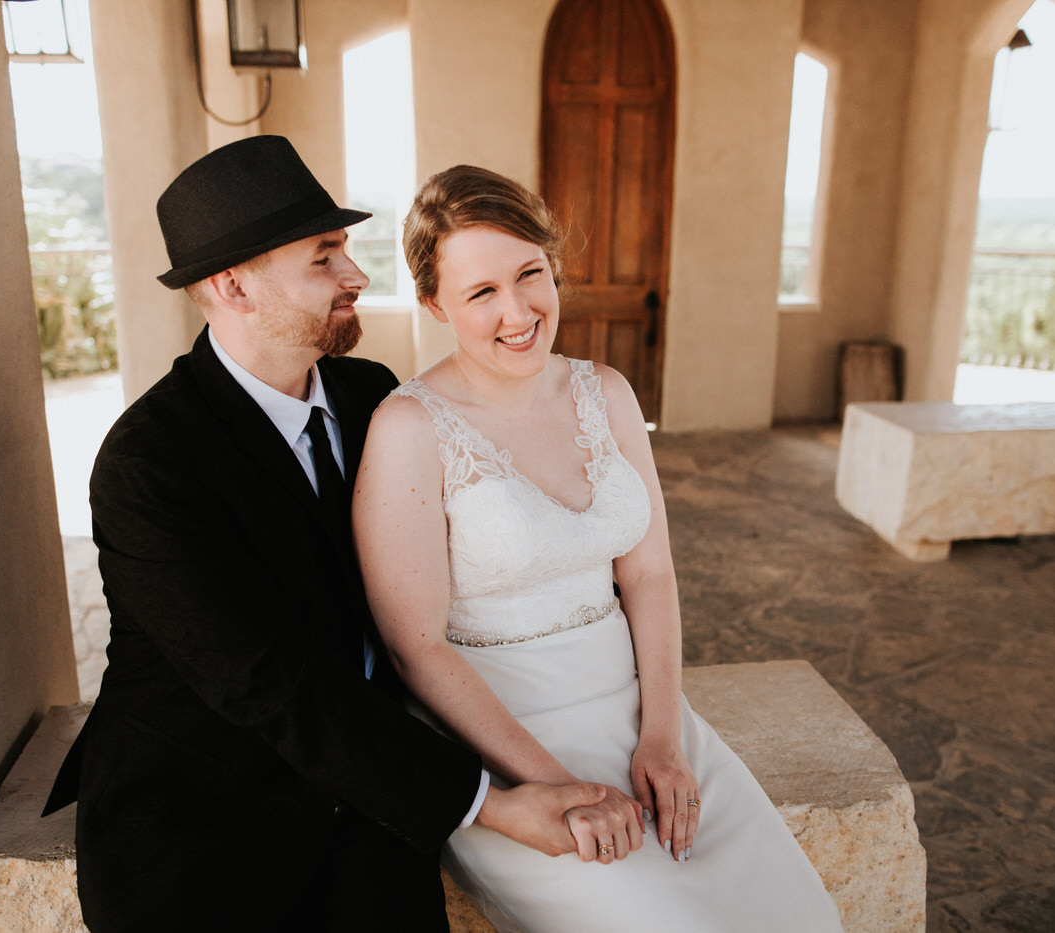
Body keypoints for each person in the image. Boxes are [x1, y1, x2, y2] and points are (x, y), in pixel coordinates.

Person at [42, 137, 635, 932]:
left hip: (372, 802)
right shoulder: (151, 463)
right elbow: (272, 684)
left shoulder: (372, 398)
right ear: (231, 285)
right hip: (207, 824)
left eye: (346, 249)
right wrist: (491, 801)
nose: (356, 275)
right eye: (324, 258)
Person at [352, 165, 845, 932]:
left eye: (530, 274)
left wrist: (664, 738)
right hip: (507, 737)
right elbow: (416, 647)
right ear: (433, 302)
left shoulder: (605, 391)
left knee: (797, 913)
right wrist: (557, 788)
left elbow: (649, 574)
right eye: (481, 292)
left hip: (640, 712)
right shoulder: (409, 429)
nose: (517, 312)